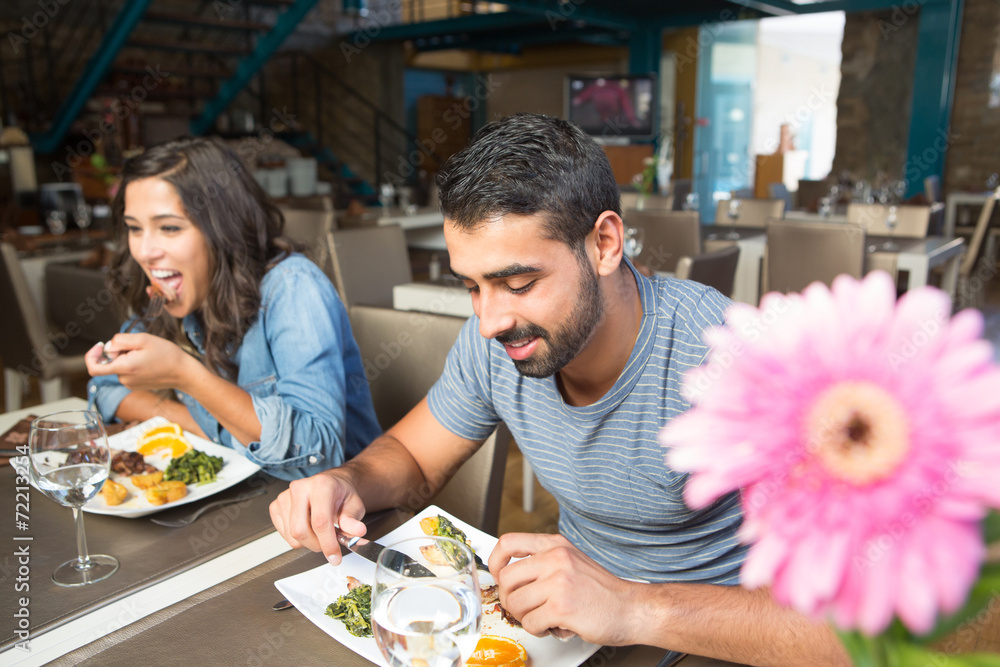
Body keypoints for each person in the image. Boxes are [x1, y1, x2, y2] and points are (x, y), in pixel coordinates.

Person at [269, 114, 848, 665]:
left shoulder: (732, 359)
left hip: (714, 643)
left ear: (604, 244)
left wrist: (630, 606)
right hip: (569, 630)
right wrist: (345, 482)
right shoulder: (495, 338)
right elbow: (415, 459)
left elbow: (864, 633)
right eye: (472, 287)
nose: (490, 319)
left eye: (517, 283)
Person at [86, 137, 381, 480]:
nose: (146, 251)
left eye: (169, 228)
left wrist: (186, 376)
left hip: (340, 513)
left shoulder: (292, 287)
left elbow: (319, 453)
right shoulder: (169, 291)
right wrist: (180, 415)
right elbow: (103, 389)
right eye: (135, 228)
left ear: (223, 227)